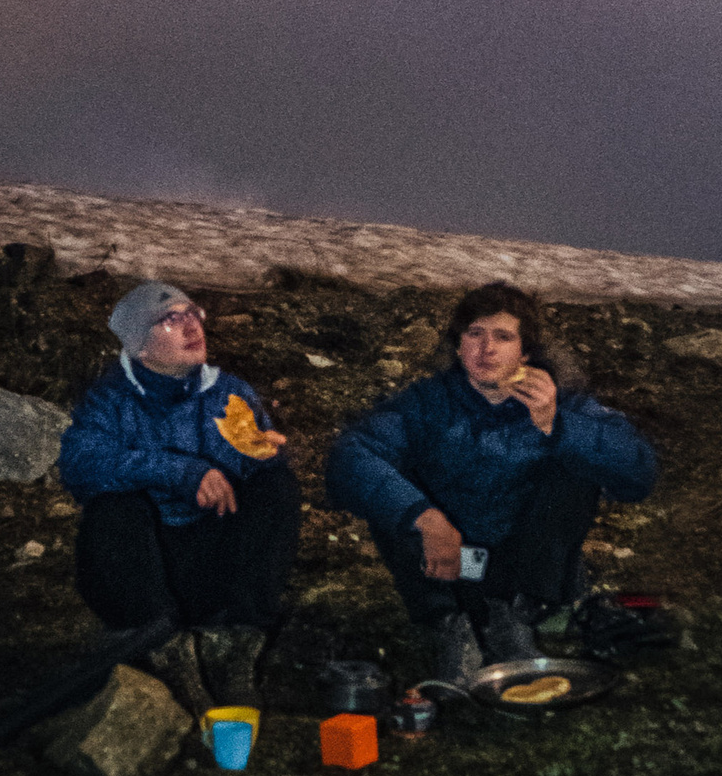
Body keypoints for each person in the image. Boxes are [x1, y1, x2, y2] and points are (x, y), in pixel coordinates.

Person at [325, 285, 658, 681]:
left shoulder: (562, 404)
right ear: (458, 344)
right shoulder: (429, 402)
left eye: (504, 337)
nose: (487, 349)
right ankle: (451, 630)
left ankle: (516, 621)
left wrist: (556, 424)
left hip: (519, 567)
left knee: (573, 466)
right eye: (475, 334)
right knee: (391, 489)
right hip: (447, 563)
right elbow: (350, 456)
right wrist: (426, 518)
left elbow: (639, 475)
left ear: (526, 353)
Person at [57, 280, 299, 707]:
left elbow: (252, 470)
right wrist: (181, 471)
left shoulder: (230, 393)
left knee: (274, 486)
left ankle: (236, 648)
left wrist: (260, 456)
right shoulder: (110, 400)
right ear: (141, 347)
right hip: (143, 570)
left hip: (209, 567)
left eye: (193, 314)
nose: (191, 325)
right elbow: (79, 464)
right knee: (114, 505)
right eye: (171, 319)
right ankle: (167, 656)